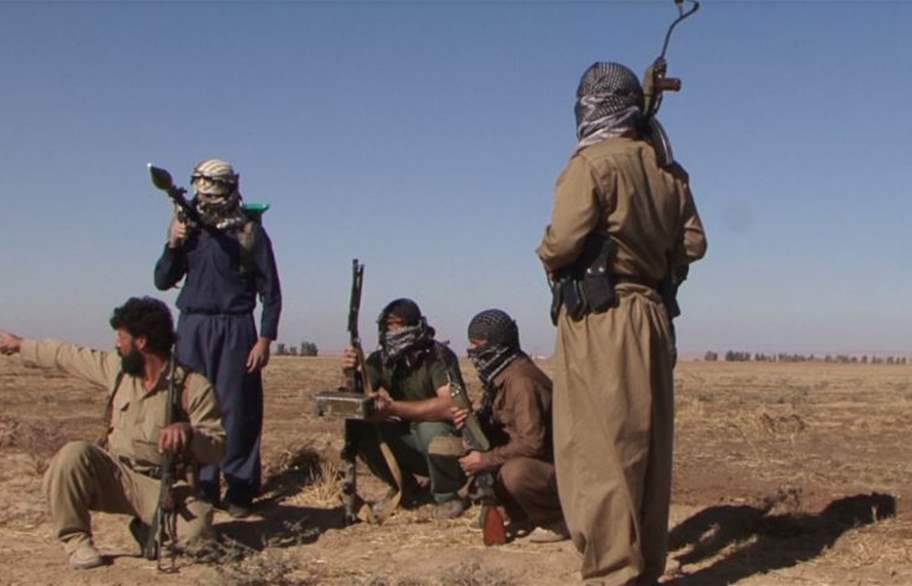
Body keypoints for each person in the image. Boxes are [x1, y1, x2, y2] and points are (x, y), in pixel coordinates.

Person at [536, 62, 707, 585]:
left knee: (598, 452)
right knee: (646, 450)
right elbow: (694, 243)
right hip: (652, 315)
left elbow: (562, 241)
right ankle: (643, 569)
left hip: (601, 318)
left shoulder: (591, 165)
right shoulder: (667, 170)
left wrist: (547, 255)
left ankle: (613, 573)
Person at [0, 297, 225, 570]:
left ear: (141, 342)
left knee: (198, 536)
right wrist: (19, 345)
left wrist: (188, 433)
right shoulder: (117, 370)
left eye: (121, 338)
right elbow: (67, 355)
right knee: (72, 456)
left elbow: (217, 448)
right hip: (115, 476)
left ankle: (149, 530)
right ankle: (77, 541)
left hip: (162, 486)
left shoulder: (193, 386)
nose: (117, 345)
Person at [154, 158, 281, 518]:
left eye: (213, 188)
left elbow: (271, 292)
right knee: (193, 407)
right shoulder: (187, 228)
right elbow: (162, 280)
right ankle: (203, 485)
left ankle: (240, 488)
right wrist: (172, 244)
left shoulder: (250, 232)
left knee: (237, 409)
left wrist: (265, 339)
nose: (206, 196)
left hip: (236, 327)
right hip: (192, 327)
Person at [341, 298, 467, 519]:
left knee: (431, 429)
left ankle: (447, 496)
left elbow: (451, 404)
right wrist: (350, 372)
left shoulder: (438, 356)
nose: (391, 332)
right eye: (387, 326)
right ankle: (405, 487)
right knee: (359, 428)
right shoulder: (382, 360)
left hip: (448, 448)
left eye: (396, 326)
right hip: (409, 440)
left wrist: (393, 408)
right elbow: (356, 399)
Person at [452, 309, 566, 542]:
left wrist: (485, 460)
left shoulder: (522, 382)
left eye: (477, 345)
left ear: (497, 346)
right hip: (538, 464)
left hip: (558, 470)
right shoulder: (501, 374)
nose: (472, 351)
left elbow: (532, 444)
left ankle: (558, 520)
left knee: (515, 473)